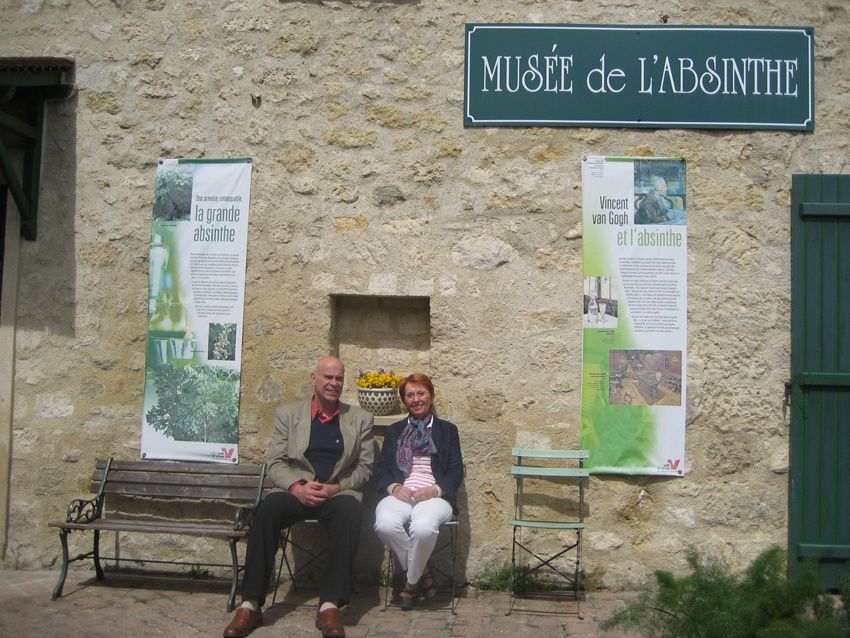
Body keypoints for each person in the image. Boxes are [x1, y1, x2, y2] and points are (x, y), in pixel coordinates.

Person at [223, 355, 374, 638]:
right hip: (296, 490)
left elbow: (364, 468)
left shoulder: (360, 419)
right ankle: (250, 604)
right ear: (313, 379)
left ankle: (330, 605)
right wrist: (297, 487)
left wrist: (335, 487)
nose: (334, 383)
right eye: (328, 377)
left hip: (335, 492)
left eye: (339, 378)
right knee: (266, 511)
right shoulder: (289, 415)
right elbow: (276, 462)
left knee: (351, 513)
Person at [373, 373, 463, 610]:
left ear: (431, 396)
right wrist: (394, 487)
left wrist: (435, 489)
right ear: (404, 401)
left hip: (435, 495)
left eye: (421, 393)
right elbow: (382, 470)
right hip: (402, 492)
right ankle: (424, 574)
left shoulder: (447, 431)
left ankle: (411, 584)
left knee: (423, 528)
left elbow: (456, 471)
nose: (416, 400)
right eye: (410, 395)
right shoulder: (395, 431)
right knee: (384, 524)